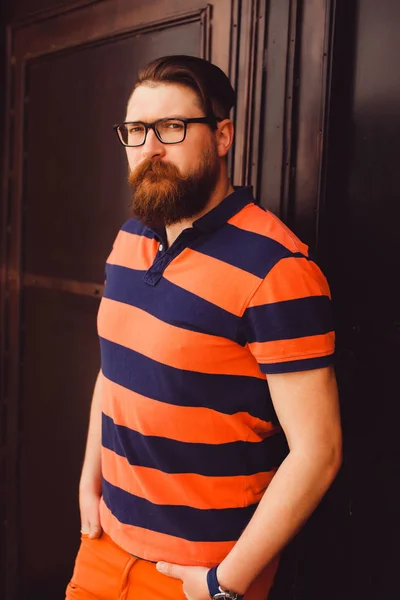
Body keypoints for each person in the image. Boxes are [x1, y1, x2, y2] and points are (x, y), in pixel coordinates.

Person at [65, 55, 342, 600]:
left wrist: (223, 584)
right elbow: (114, 371)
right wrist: (88, 480)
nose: (150, 148)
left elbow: (319, 451)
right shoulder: (130, 239)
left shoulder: (278, 267)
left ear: (222, 136)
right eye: (137, 131)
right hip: (102, 545)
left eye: (172, 127)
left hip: (197, 575)